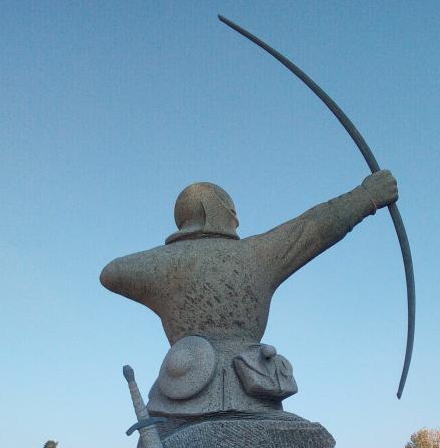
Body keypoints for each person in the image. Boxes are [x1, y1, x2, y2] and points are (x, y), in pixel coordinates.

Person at [101, 171, 398, 415]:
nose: (237, 220)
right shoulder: (255, 255)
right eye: (233, 211)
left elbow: (112, 273)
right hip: (252, 390)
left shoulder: (164, 264)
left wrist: (168, 260)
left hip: (178, 392)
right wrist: (367, 196)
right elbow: (313, 228)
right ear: (221, 211)